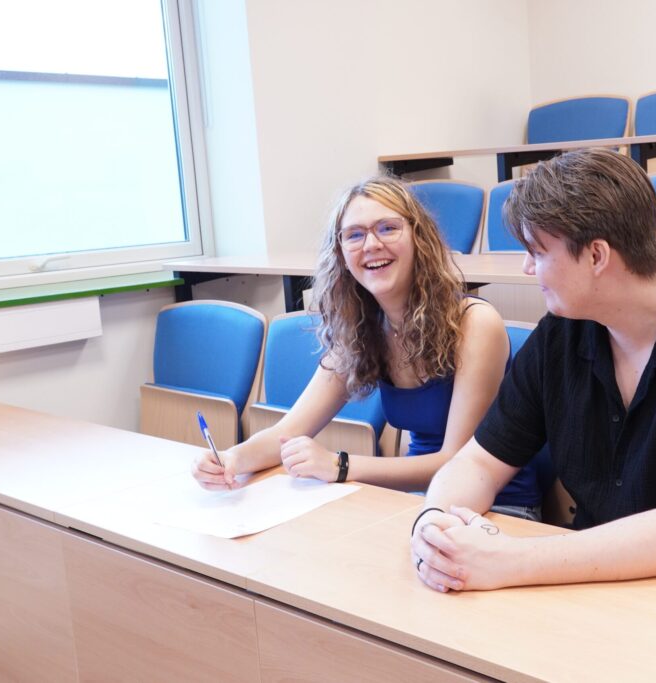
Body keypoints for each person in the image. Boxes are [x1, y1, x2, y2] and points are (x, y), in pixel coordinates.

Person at [409, 148, 656, 593]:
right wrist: (434, 526)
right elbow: (480, 463)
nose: (527, 267)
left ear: (597, 256)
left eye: (538, 252)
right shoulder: (559, 335)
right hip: (605, 577)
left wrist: (509, 560)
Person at [191, 176, 545, 519]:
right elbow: (289, 432)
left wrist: (339, 465)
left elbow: (457, 462)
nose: (371, 244)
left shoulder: (475, 323)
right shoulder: (360, 330)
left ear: (418, 237)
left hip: (499, 507)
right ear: (341, 253)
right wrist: (229, 459)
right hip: (419, 500)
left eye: (388, 228)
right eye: (354, 235)